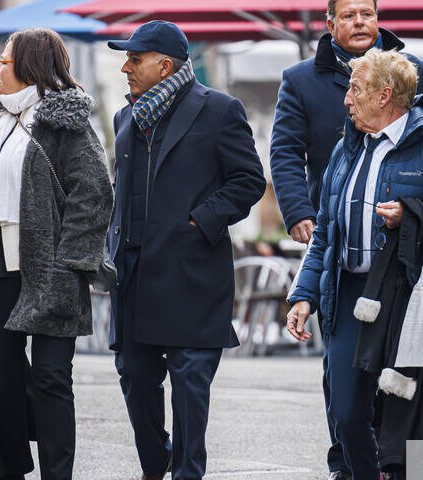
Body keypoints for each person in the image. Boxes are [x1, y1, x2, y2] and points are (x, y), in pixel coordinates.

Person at [269, 2, 423, 477]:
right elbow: (326, 228)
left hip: (409, 296)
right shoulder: (346, 148)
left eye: (355, 90)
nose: (345, 100)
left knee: (406, 416)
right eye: (349, 15)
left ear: (386, 95)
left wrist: (414, 216)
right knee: (346, 412)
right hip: (348, 292)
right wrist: (303, 295)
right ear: (331, 24)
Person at [0, 28, 113, 480]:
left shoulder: (64, 124)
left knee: (51, 381)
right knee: (1, 382)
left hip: (50, 271)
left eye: (4, 60)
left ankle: (57, 474)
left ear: (29, 66)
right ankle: (11, 470)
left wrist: (67, 263)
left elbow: (94, 194)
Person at [106, 21, 266, 480]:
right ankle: (157, 465)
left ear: (164, 65)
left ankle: (188, 472)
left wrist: (199, 221)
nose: (126, 68)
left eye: (134, 60)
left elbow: (248, 181)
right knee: (135, 379)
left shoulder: (219, 109)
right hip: (133, 276)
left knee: (190, 388)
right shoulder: (124, 118)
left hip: (191, 273)